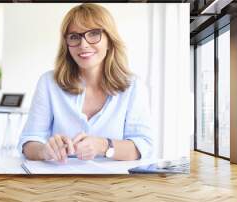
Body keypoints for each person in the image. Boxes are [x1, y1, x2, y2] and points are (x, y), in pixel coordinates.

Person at [17, 3, 153, 163]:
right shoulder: (48, 83)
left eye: (94, 34)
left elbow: (143, 145)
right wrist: (44, 151)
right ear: (66, 45)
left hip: (114, 184)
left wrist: (103, 146)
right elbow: (28, 142)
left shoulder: (133, 86)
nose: (83, 44)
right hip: (60, 181)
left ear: (109, 41)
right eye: (74, 36)